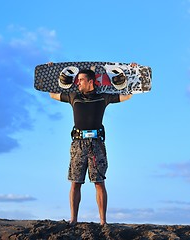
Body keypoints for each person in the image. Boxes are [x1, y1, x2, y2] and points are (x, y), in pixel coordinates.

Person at [49, 63, 134, 225]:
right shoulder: (74, 96)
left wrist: (130, 72)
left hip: (96, 145)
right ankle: (73, 219)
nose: (78, 83)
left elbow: (127, 96)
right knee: (75, 182)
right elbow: (52, 94)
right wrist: (53, 72)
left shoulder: (104, 97)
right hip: (78, 144)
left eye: (81, 80)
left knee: (99, 183)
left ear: (90, 81)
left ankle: (103, 221)